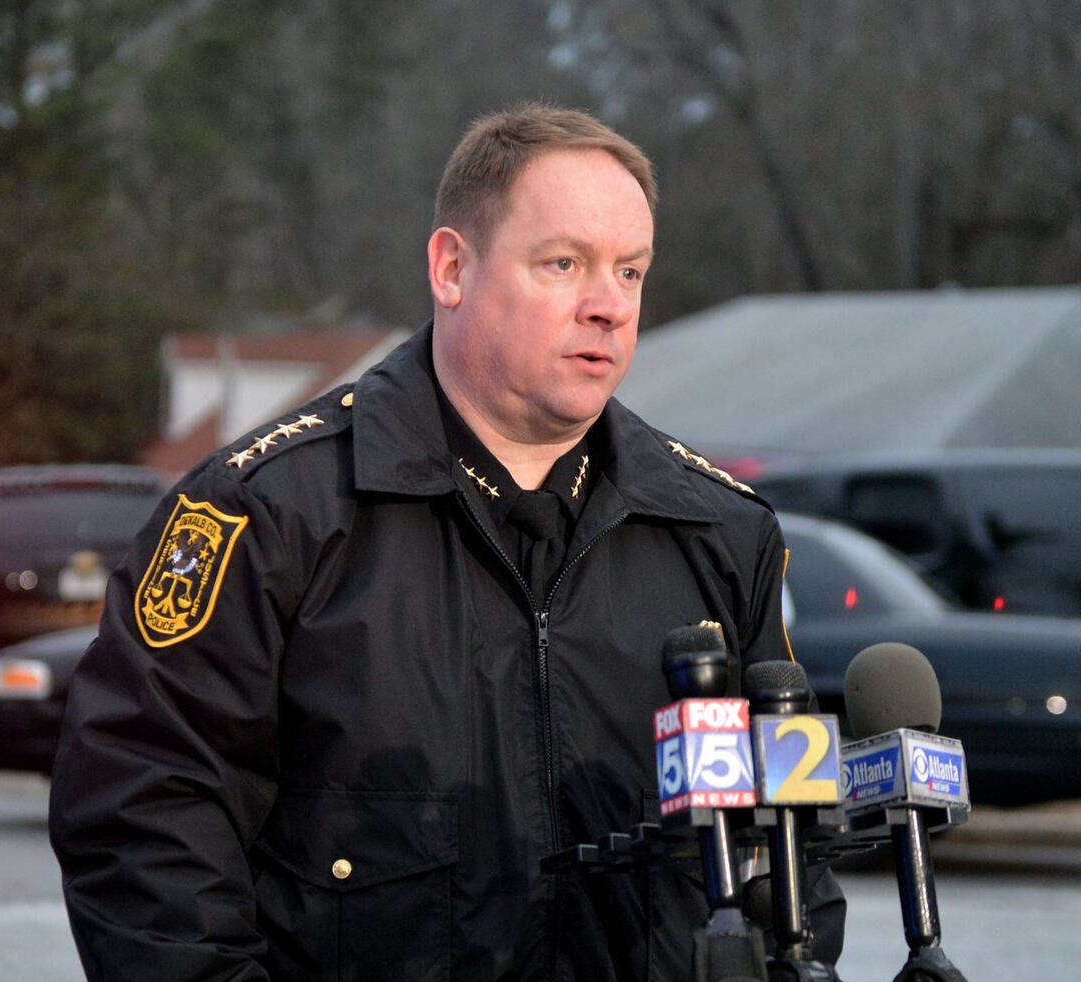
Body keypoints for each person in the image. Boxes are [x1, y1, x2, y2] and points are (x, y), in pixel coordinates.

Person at [50, 103, 845, 980]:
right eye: (564, 264)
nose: (608, 306)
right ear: (451, 268)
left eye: (630, 270)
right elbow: (143, 820)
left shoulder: (719, 533)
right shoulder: (269, 513)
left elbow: (790, 851)